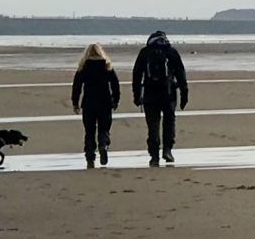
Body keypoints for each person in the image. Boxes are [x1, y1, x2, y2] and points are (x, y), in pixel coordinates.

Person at [131, 29, 188, 166]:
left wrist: (137, 95)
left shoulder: (145, 52)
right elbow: (181, 73)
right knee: (169, 122)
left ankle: (154, 155)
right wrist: (184, 94)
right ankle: (167, 150)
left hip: (150, 95)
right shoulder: (171, 52)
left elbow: (137, 75)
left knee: (153, 125)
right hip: (169, 94)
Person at [70, 42, 120, 168]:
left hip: (89, 103)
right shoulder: (107, 66)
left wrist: (75, 102)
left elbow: (77, 87)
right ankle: (103, 144)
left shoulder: (83, 67)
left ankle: (90, 157)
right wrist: (115, 99)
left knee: (89, 131)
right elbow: (115, 84)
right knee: (104, 128)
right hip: (105, 102)